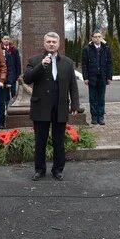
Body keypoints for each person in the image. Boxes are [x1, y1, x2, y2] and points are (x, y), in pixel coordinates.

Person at [23, 32, 80, 181]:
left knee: (58, 140)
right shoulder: (34, 60)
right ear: (44, 43)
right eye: (48, 41)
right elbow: (27, 78)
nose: (51, 44)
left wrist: (75, 104)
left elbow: (73, 85)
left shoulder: (67, 62)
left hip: (59, 106)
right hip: (41, 106)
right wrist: (41, 65)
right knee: (40, 140)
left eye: (54, 42)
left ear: (59, 44)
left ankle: (58, 169)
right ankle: (39, 169)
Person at [81, 30, 113, 125]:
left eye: (99, 36)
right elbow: (84, 65)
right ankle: (94, 117)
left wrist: (109, 77)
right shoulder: (87, 49)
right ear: (92, 38)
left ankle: (101, 117)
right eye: (95, 37)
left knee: (101, 98)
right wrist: (85, 78)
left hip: (102, 77)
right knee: (93, 98)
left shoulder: (106, 49)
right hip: (92, 77)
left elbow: (109, 64)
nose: (97, 38)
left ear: (102, 38)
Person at [0, 33, 22, 128]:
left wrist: (17, 75)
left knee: (12, 98)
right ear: (2, 40)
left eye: (8, 39)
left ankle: (12, 117)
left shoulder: (14, 50)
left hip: (12, 78)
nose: (6, 40)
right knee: (3, 99)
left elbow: (17, 64)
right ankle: (2, 120)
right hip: (2, 78)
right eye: (5, 38)